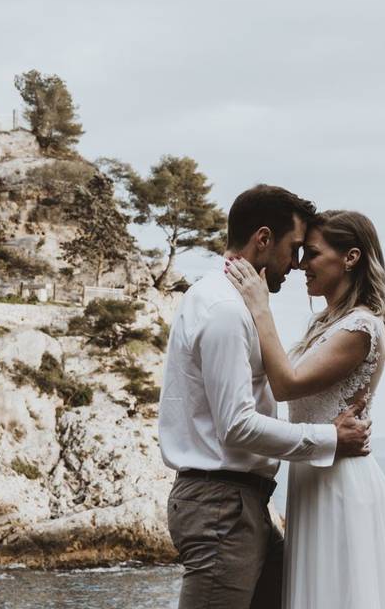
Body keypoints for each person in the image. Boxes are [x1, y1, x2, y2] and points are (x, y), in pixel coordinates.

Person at [158, 186, 373, 609]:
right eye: (293, 249)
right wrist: (330, 438)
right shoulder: (224, 310)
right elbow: (236, 425)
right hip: (222, 509)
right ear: (263, 240)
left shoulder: (224, 301)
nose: (296, 265)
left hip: (242, 504)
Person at [225, 209, 385, 609]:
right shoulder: (330, 323)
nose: (299, 266)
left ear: (350, 257)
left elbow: (286, 384)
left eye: (311, 254)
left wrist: (261, 307)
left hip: (343, 489)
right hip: (313, 484)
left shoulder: (360, 327)